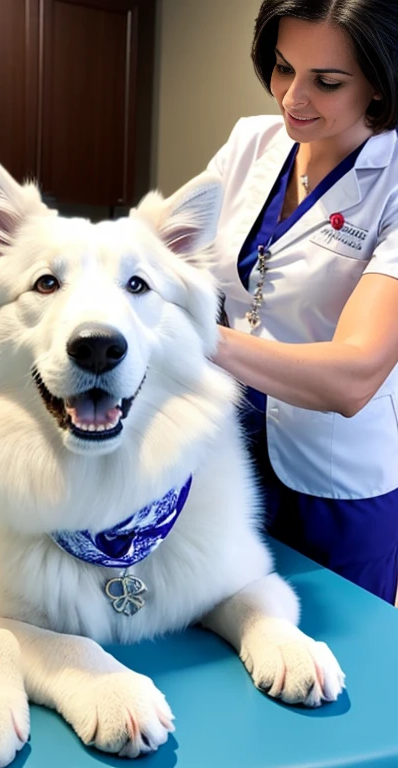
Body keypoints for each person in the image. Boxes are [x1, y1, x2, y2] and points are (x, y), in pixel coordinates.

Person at [206, 0, 398, 603]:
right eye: (284, 68)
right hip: (227, 465)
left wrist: (194, 335)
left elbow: (356, 375)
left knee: (336, 672)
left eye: (327, 81)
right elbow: (176, 260)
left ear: (380, 81)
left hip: (333, 491)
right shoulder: (249, 143)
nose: (292, 98)